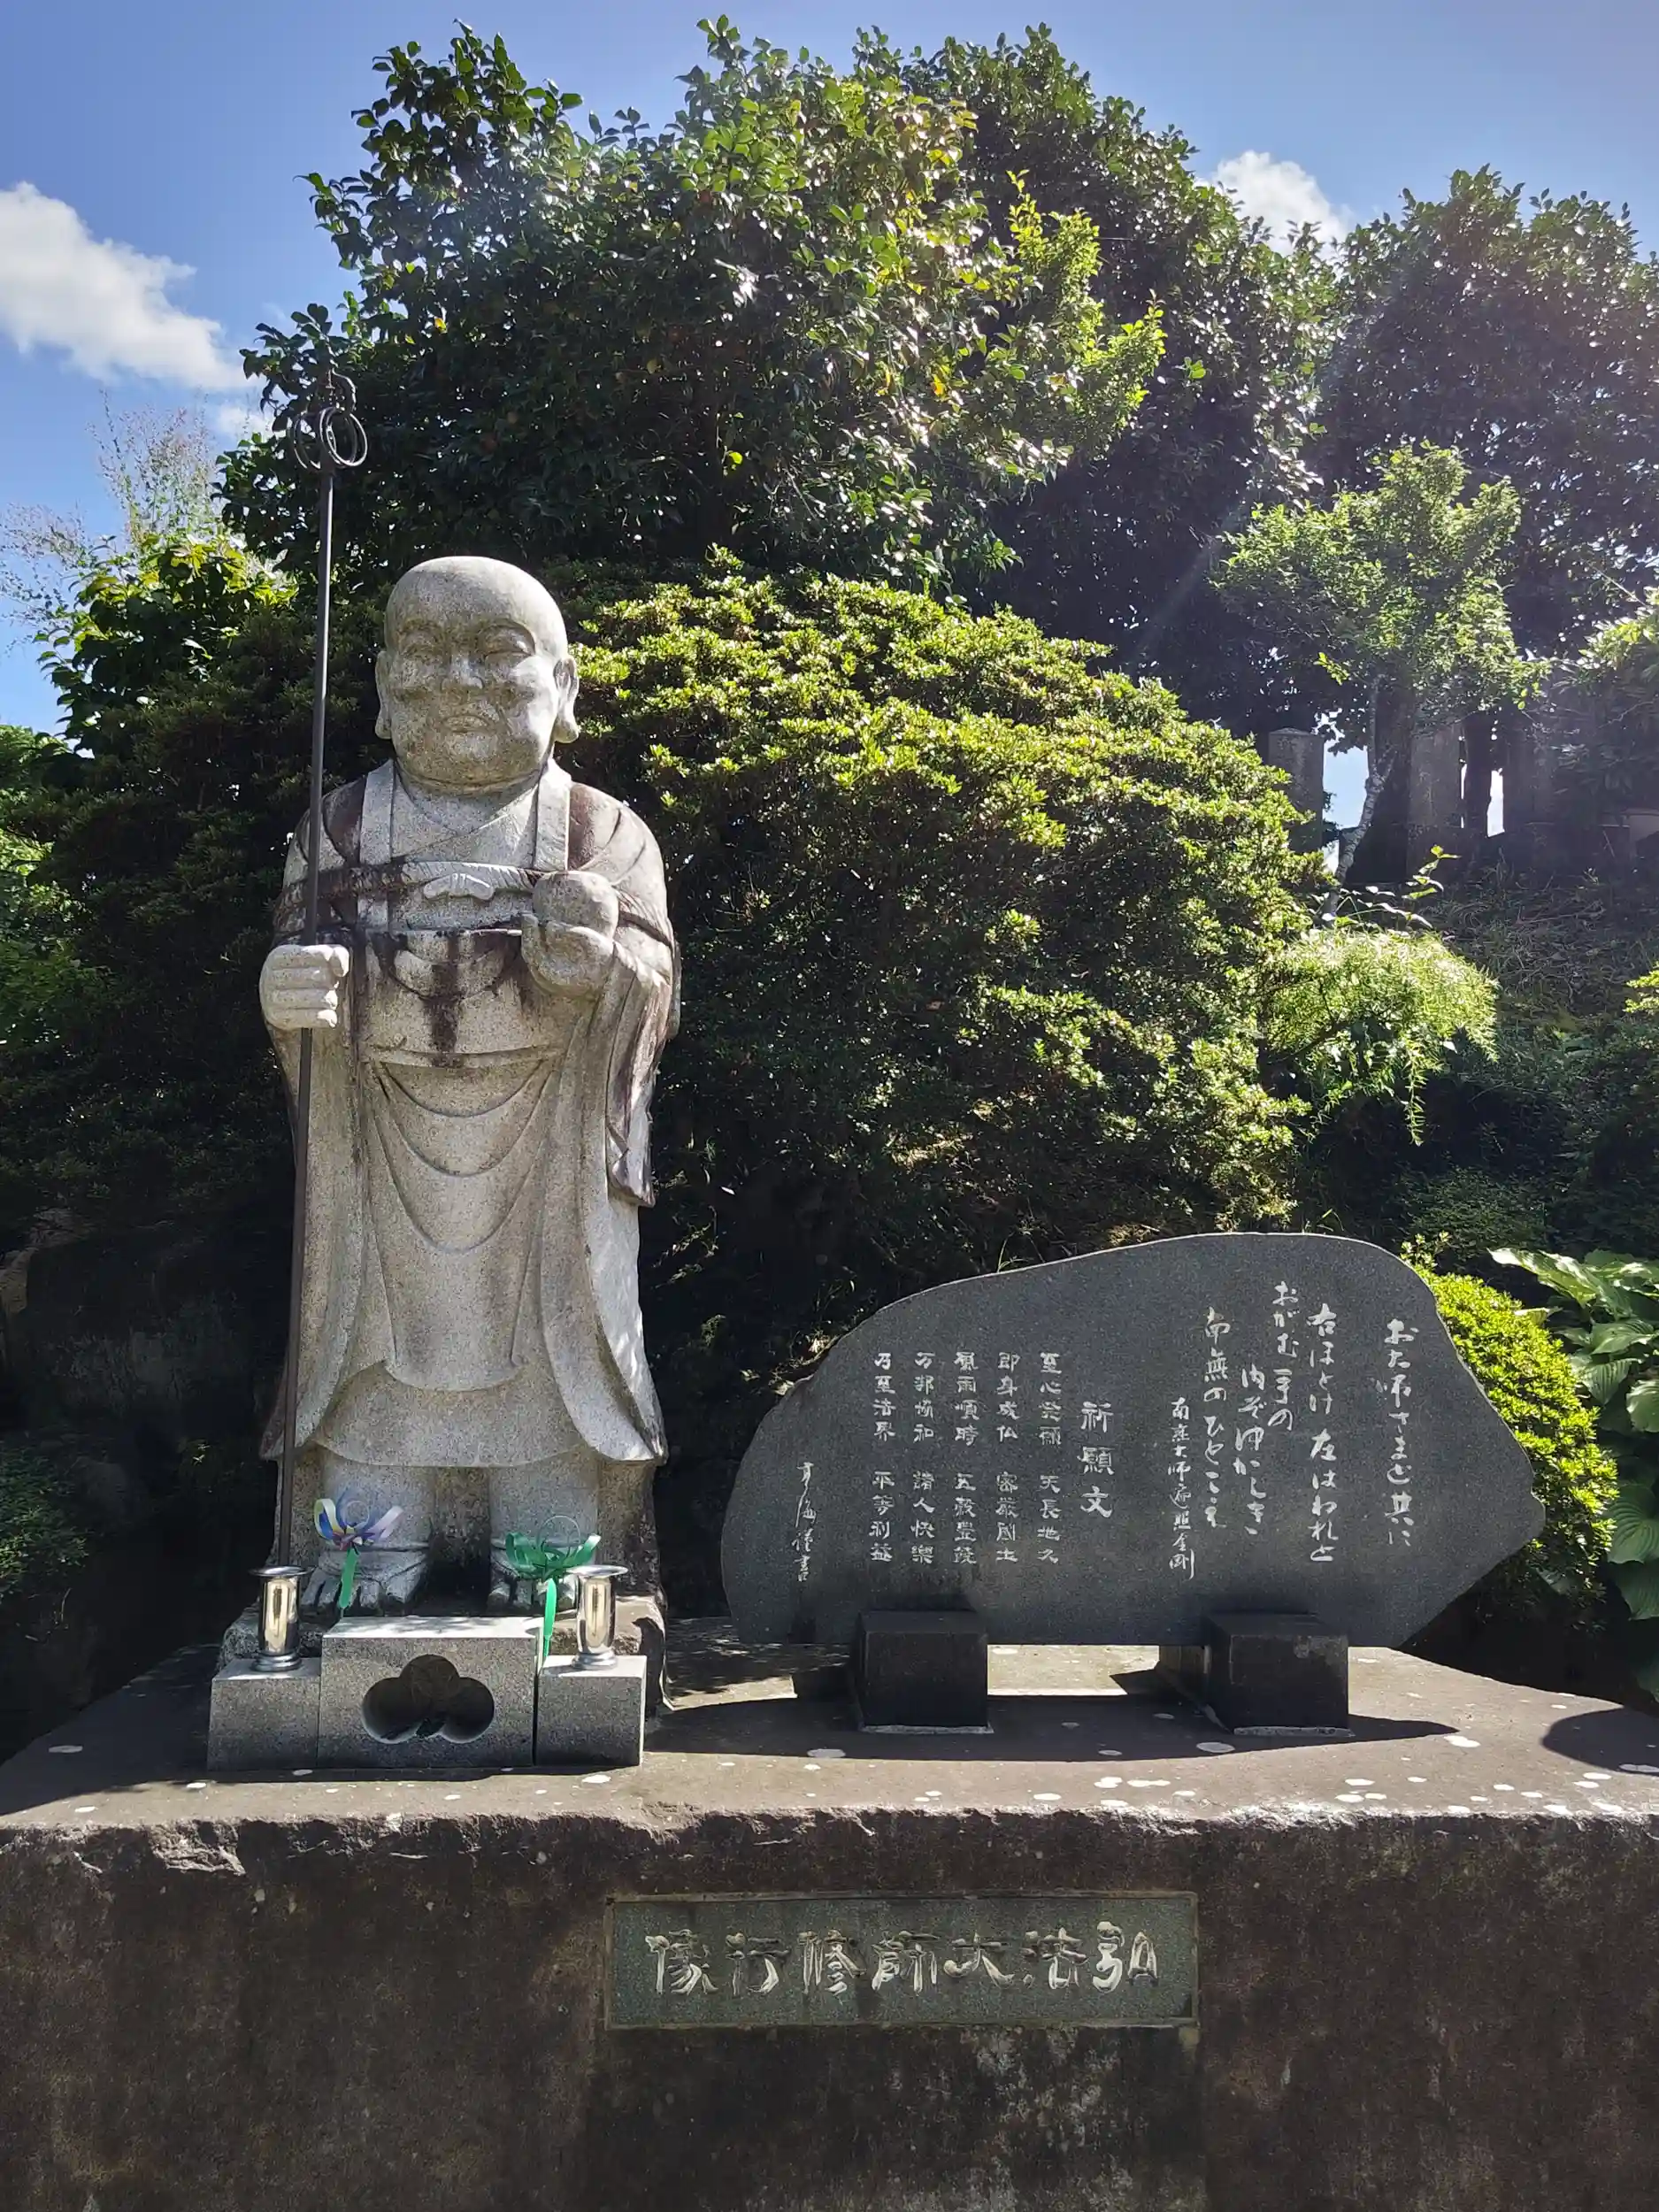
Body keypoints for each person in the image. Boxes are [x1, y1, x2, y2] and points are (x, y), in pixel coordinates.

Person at [260, 556, 677, 1611]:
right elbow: (299, 983)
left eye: (497, 655)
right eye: (426, 654)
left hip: (549, 1154)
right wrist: (286, 997)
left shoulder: (601, 832)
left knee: (556, 1350)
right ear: (382, 686)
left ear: (564, 686)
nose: (459, 683)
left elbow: (653, 989)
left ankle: (548, 1557)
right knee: (367, 1351)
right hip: (377, 1146)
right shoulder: (337, 830)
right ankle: (369, 1549)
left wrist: (604, 972)